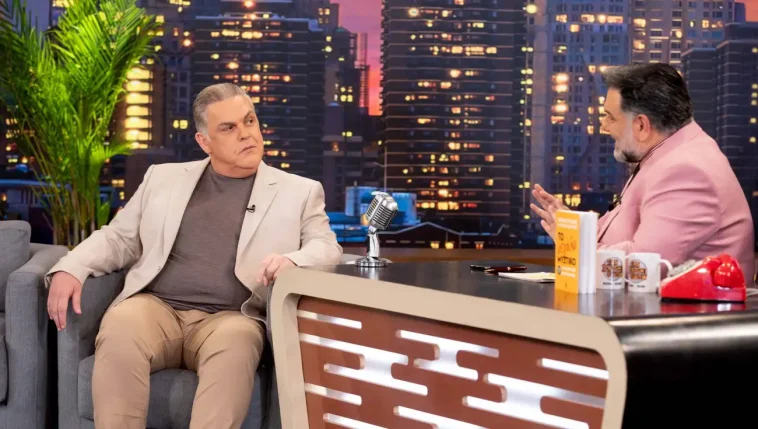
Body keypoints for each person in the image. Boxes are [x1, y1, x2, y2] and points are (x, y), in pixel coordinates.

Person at [45, 83, 343, 428]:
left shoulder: (300, 191)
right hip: (156, 309)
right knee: (121, 328)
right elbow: (119, 238)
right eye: (228, 128)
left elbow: (327, 248)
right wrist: (73, 267)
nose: (246, 134)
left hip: (232, 318)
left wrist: (293, 261)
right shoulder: (163, 178)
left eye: (249, 121)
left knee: (237, 346)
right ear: (205, 142)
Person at [531, 63, 755, 279]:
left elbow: (643, 267)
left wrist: (572, 243)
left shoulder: (686, 171)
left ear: (641, 125)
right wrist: (572, 228)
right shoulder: (666, 154)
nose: (604, 126)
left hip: (680, 305)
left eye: (610, 117)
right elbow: (623, 235)